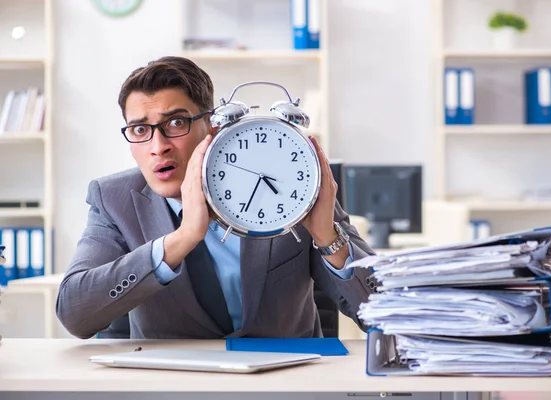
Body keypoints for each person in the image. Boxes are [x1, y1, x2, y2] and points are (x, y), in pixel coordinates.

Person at [56, 56, 376, 339]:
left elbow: (388, 315)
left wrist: (328, 238)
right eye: (140, 130)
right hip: (176, 386)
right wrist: (182, 239)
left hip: (286, 383)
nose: (158, 146)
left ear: (212, 126)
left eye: (176, 123)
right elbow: (74, 313)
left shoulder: (295, 190)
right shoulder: (113, 199)